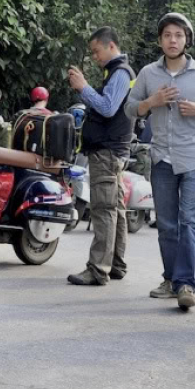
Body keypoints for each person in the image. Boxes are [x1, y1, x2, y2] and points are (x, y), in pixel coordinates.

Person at [124, 12, 195, 309]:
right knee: (168, 224)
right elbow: (130, 109)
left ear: (187, 40)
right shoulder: (147, 74)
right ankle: (171, 279)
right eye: (167, 35)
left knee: (190, 221)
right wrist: (150, 103)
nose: (173, 40)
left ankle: (186, 284)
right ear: (160, 40)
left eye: (179, 35)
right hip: (161, 157)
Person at [66, 26, 136, 286]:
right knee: (115, 208)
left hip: (107, 152)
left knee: (103, 209)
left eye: (96, 51)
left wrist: (83, 87)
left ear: (111, 46)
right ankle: (116, 264)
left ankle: (98, 269)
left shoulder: (120, 73)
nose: (95, 57)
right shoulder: (118, 73)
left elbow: (107, 108)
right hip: (113, 151)